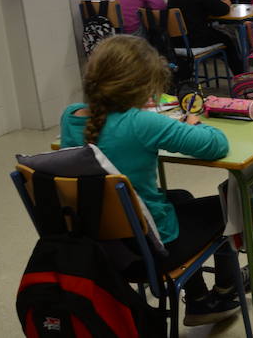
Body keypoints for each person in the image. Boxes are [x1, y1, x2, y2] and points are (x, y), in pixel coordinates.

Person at [59, 35, 243, 326]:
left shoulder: (70, 116)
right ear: (141, 85)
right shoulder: (142, 122)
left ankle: (198, 300)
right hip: (148, 250)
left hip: (101, 245)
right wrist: (195, 122)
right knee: (232, 204)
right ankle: (227, 287)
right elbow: (216, 145)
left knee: (180, 196)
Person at [167, 0, 243, 75]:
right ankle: (241, 75)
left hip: (176, 41)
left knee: (219, 35)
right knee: (228, 39)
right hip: (196, 39)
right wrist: (226, 4)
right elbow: (220, 10)